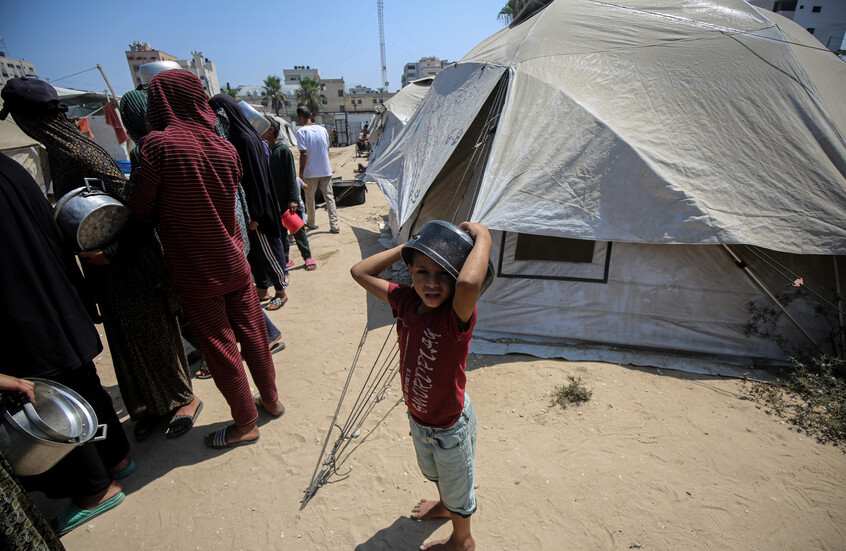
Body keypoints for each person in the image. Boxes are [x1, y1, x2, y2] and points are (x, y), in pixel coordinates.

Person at [0, 77, 202, 441]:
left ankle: (183, 398)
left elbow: (140, 207)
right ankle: (153, 404)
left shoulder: (81, 154)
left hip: (131, 262)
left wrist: (112, 251)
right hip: (106, 271)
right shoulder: (56, 155)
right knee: (127, 338)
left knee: (154, 332)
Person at [131, 69, 284, 449]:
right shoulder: (224, 147)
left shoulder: (157, 146)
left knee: (219, 344)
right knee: (252, 334)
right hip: (235, 259)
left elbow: (139, 206)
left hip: (196, 268)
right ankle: (272, 401)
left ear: (161, 102)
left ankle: (245, 423)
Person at [0, 151, 132, 536]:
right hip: (58, 299)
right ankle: (116, 457)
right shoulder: (10, 169)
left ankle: (95, 490)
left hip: (20, 318)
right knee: (82, 384)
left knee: (50, 404)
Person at [350, 221, 492, 551]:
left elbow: (471, 281)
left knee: (458, 486)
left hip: (448, 426)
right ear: (410, 271)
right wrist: (410, 247)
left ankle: (463, 539)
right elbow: (360, 272)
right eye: (422, 271)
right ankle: (444, 505)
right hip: (420, 420)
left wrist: (483, 235)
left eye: (444, 274)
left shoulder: (455, 316)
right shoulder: (406, 300)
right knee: (435, 474)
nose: (431, 283)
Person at [211, 93, 290, 311]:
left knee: (267, 251)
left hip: (258, 209)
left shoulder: (245, 140)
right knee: (255, 253)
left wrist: (255, 213)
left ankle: (281, 291)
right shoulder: (239, 138)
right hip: (252, 209)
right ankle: (262, 288)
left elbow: (255, 181)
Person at [262, 115, 317, 271]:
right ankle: (284, 259)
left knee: (297, 230)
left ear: (271, 130)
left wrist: (293, 199)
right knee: (281, 234)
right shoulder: (265, 151)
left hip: (288, 201)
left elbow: (291, 177)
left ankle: (307, 257)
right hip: (275, 201)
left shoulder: (283, 151)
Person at [296, 105, 339, 234]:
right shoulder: (323, 130)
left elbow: (303, 154)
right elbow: (327, 149)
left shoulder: (300, 132)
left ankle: (312, 223)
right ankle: (334, 225)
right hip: (325, 170)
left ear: (300, 118)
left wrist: (301, 173)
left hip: (310, 172)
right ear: (310, 116)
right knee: (329, 198)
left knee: (309, 199)